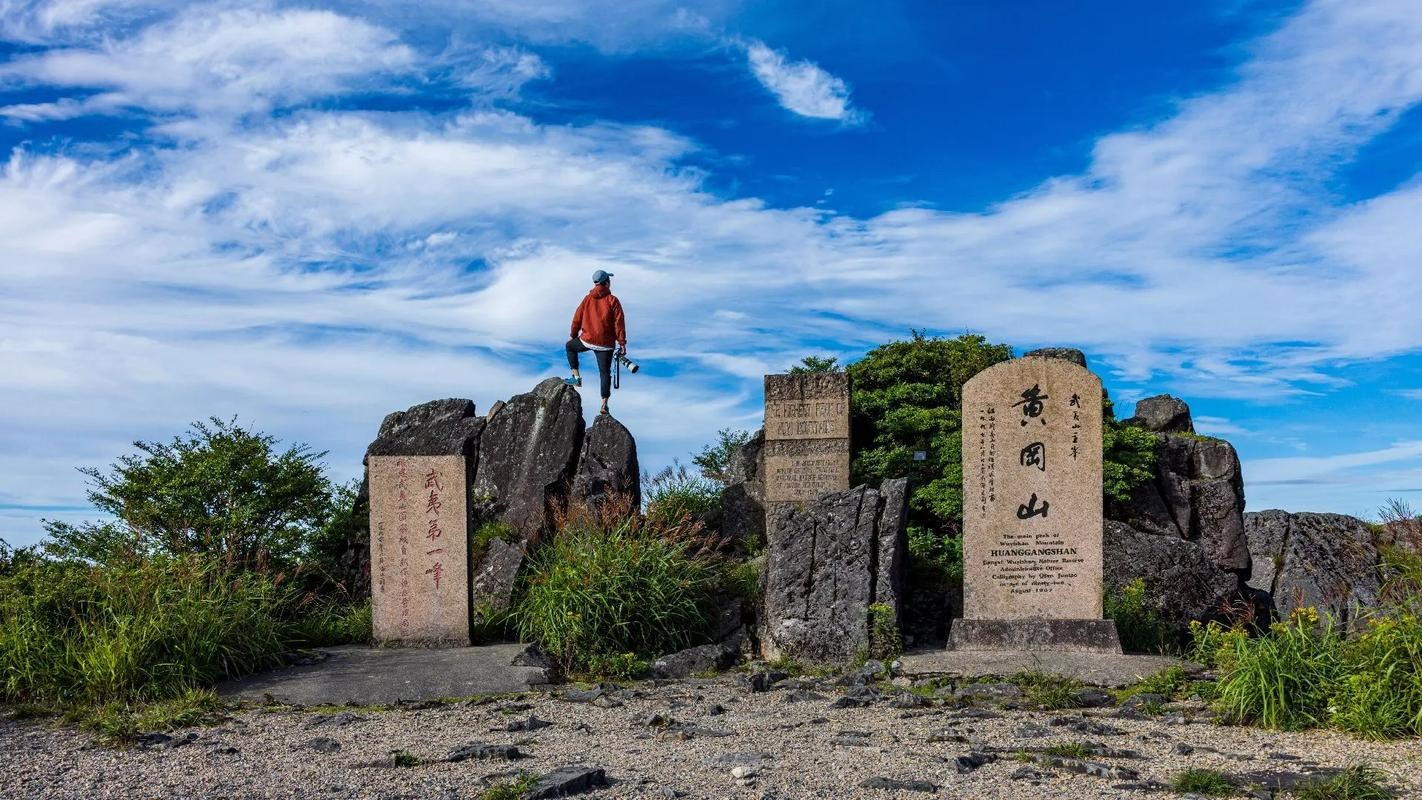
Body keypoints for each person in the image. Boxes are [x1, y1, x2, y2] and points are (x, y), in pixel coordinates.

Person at [565, 269, 627, 415]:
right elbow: (619, 323)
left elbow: (577, 319)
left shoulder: (587, 299)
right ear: (607, 283)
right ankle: (604, 404)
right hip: (606, 344)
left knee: (570, 347)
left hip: (588, 339)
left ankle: (576, 377)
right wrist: (622, 343)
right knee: (604, 373)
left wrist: (573, 335)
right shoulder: (613, 300)